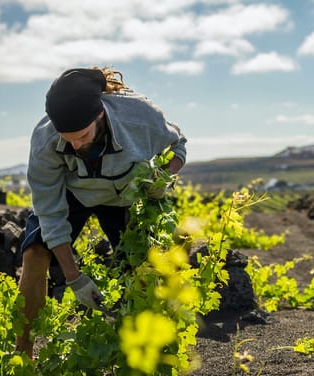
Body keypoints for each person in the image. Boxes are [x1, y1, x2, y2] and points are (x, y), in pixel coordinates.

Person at [16, 67, 187, 356]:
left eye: (81, 136)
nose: (74, 144)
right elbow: (49, 212)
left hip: (123, 195)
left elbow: (178, 145)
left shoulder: (141, 117)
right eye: (67, 137)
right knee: (34, 253)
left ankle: (157, 367)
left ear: (99, 116)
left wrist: (165, 177)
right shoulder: (45, 140)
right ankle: (22, 357)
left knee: (144, 268)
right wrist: (74, 278)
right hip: (74, 193)